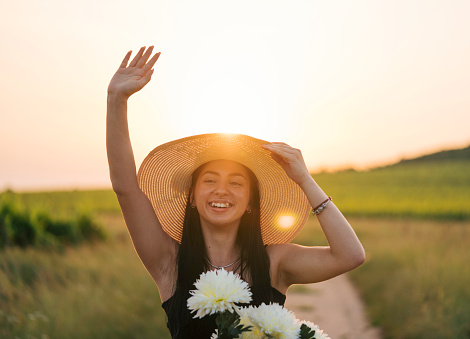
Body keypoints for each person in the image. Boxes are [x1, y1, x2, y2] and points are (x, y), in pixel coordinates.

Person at [106, 46, 366, 338]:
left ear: (251, 201)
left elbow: (350, 256)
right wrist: (117, 99)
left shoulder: (275, 263)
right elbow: (126, 188)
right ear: (191, 196)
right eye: (210, 180)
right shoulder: (169, 262)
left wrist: (305, 180)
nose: (221, 191)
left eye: (236, 183)